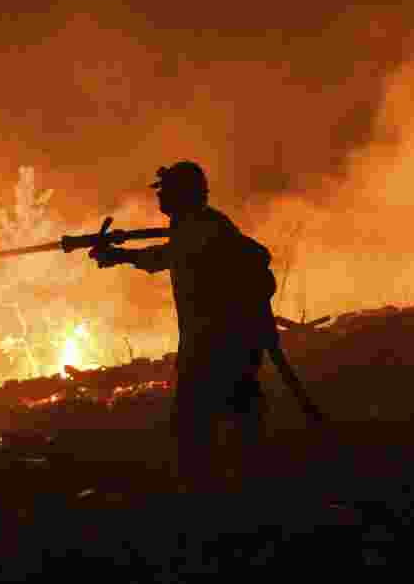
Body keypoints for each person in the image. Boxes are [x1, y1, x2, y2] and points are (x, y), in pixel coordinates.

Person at [89, 161, 278, 491]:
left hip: (214, 345)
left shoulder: (202, 229)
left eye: (166, 191)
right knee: (239, 414)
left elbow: (163, 257)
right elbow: (170, 253)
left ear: (182, 194)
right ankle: (248, 484)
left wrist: (120, 257)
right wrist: (121, 254)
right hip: (229, 341)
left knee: (196, 424)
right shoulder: (205, 225)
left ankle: (213, 492)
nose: (160, 197)